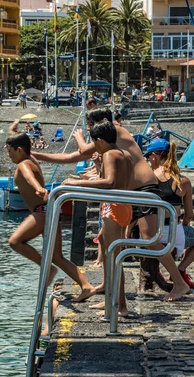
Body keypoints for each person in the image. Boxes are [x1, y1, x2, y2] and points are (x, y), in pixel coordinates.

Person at [33, 109, 190, 301]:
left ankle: (179, 283)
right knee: (104, 238)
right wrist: (37, 156)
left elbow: (80, 152)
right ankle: (109, 285)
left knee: (150, 240)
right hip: (129, 192)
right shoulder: (108, 145)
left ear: (103, 124)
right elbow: (73, 158)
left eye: (91, 126)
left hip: (145, 188)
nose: (90, 130)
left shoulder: (117, 131)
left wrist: (79, 137)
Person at [6, 119, 96, 302]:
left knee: (15, 241)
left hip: (42, 211)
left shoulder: (23, 164)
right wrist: (13, 129)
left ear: (20, 150)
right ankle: (86, 286)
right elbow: (19, 145)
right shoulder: (30, 157)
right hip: (52, 209)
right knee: (57, 256)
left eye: (10, 151)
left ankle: (46, 268)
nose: (9, 155)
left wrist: (38, 187)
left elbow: (28, 176)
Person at [63, 121, 134, 316]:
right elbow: (120, 181)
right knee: (113, 257)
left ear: (100, 140)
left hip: (113, 207)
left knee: (112, 260)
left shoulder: (110, 154)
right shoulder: (124, 154)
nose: (95, 147)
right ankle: (116, 304)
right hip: (123, 206)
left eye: (95, 142)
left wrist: (77, 184)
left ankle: (119, 307)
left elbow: (110, 182)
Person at [147, 139, 193, 274]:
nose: (148, 160)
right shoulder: (183, 181)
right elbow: (189, 215)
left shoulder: (147, 178)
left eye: (148, 156)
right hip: (174, 233)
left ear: (154, 155)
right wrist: (183, 227)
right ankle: (181, 268)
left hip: (148, 234)